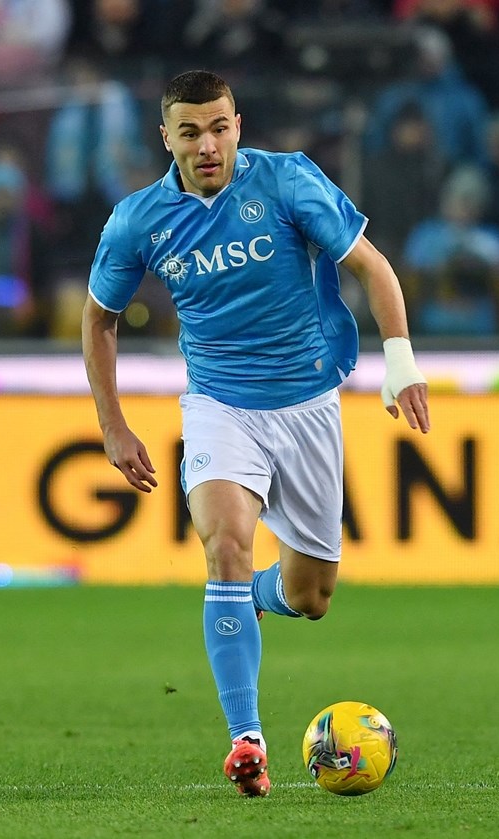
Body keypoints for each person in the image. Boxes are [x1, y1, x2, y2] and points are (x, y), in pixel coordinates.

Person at [81, 70, 430, 797]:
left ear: (238, 122)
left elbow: (372, 266)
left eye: (219, 127)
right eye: (190, 131)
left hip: (307, 405)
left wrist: (401, 361)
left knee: (310, 595)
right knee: (226, 545)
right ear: (165, 138)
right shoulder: (138, 221)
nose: (207, 144)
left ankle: (245, 598)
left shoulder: (287, 183)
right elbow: (99, 318)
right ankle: (247, 740)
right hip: (218, 406)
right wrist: (112, 424)